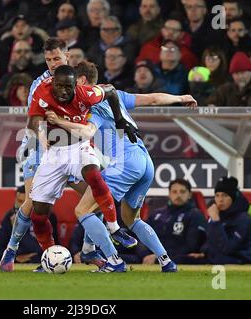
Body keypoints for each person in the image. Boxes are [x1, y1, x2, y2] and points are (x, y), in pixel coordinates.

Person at [0, 38, 135, 273]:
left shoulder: (75, 83)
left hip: (74, 147)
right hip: (44, 149)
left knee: (95, 199)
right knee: (33, 205)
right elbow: (34, 119)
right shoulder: (39, 85)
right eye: (49, 59)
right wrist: (35, 141)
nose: (52, 63)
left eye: (56, 59)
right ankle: (14, 249)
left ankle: (94, 250)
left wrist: (120, 120)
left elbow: (105, 95)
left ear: (67, 56)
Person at [45, 61, 197, 272]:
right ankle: (166, 262)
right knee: (129, 217)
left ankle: (114, 261)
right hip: (144, 160)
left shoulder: (89, 106)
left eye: (71, 84)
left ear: (81, 81)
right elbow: (153, 98)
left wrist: (58, 122)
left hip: (125, 163)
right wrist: (181, 98)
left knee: (83, 210)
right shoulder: (116, 95)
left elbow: (87, 132)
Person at [26, 65, 138, 263]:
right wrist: (41, 135)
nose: (64, 91)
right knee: (39, 212)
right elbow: (33, 121)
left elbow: (111, 91)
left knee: (94, 175)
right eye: (59, 86)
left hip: (79, 146)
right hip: (53, 154)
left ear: (75, 85)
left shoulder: (86, 93)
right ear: (53, 84)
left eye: (68, 87)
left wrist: (119, 120)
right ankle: (50, 256)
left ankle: (114, 228)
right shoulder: (42, 91)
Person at [181, 176, 251, 265]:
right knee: (182, 259)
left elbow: (227, 249)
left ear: (233, 197)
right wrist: (204, 253)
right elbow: (211, 241)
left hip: (240, 261)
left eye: (225, 195)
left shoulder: (244, 219)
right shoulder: (217, 214)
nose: (220, 200)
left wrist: (216, 221)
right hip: (218, 258)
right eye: (217, 195)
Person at [0, 186, 58, 264]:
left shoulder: (46, 216)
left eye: (26, 202)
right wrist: (15, 258)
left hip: (37, 258)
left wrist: (19, 228)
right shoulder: (10, 216)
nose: (22, 206)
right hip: (16, 257)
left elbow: (43, 248)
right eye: (19, 201)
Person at [142, 178, 207, 264]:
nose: (178, 195)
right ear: (169, 194)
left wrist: (160, 256)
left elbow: (191, 246)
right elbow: (143, 238)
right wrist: (145, 255)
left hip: (177, 259)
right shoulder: (156, 214)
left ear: (190, 194)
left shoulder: (195, 215)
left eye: (182, 192)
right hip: (150, 258)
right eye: (174, 192)